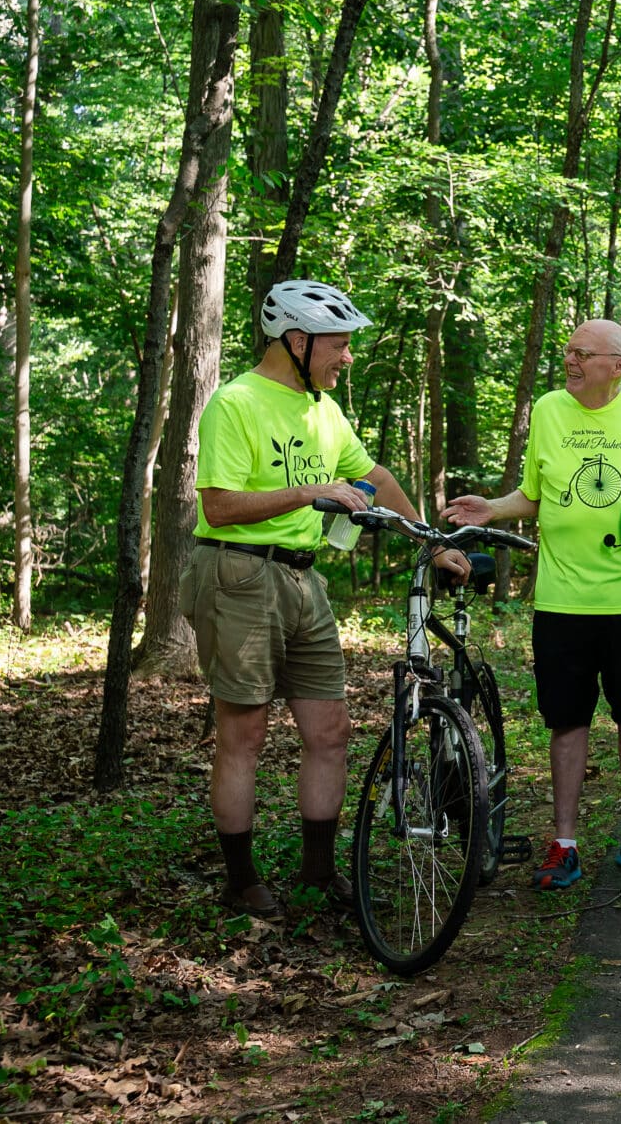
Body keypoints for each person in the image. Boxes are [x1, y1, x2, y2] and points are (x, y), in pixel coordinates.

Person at [187, 279, 468, 919]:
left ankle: (317, 873)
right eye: (338, 344)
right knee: (244, 734)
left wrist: (431, 544)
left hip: (302, 578)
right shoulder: (236, 403)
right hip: (238, 573)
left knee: (330, 730)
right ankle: (241, 880)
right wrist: (309, 493)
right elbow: (219, 507)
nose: (347, 356)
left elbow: (376, 478)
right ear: (296, 341)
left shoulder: (324, 410)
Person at [444, 320, 621, 888]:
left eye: (582, 353)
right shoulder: (549, 410)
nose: (569, 360)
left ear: (617, 366)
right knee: (566, 721)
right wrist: (493, 509)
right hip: (562, 601)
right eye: (567, 350)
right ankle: (563, 843)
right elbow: (535, 495)